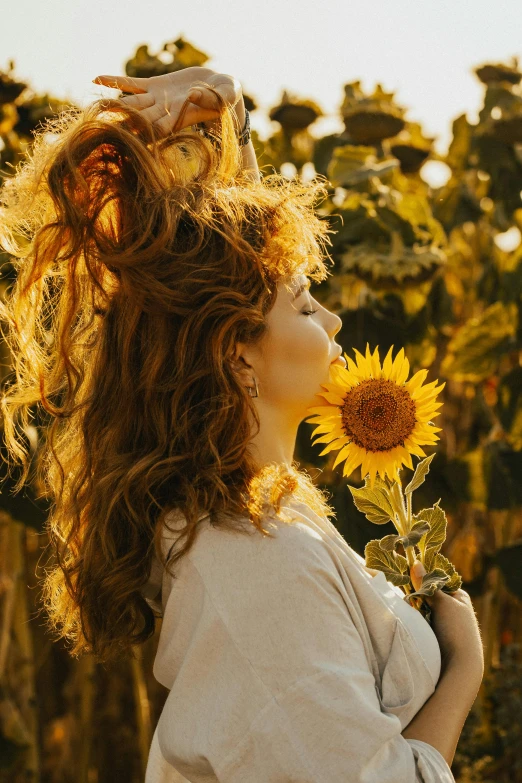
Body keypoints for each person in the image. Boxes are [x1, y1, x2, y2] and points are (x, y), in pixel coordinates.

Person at [0, 65, 483, 782]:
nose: (335, 317)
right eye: (307, 305)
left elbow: (239, 285)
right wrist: (463, 670)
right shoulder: (260, 565)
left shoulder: (252, 504)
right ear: (238, 360)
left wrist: (228, 116)